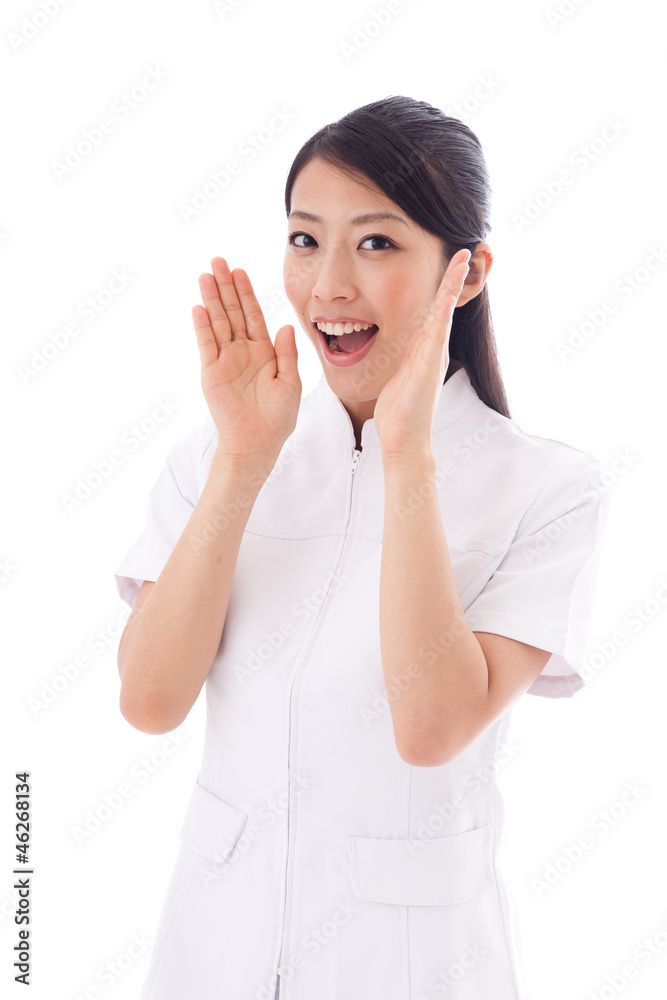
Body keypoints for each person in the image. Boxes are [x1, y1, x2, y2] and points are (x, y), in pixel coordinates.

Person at [114, 96, 609, 1000]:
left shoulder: (544, 487)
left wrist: (405, 456)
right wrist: (241, 464)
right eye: (305, 240)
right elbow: (148, 701)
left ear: (465, 274)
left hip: (410, 965)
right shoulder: (222, 453)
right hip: (213, 947)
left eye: (376, 243)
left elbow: (429, 729)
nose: (327, 285)